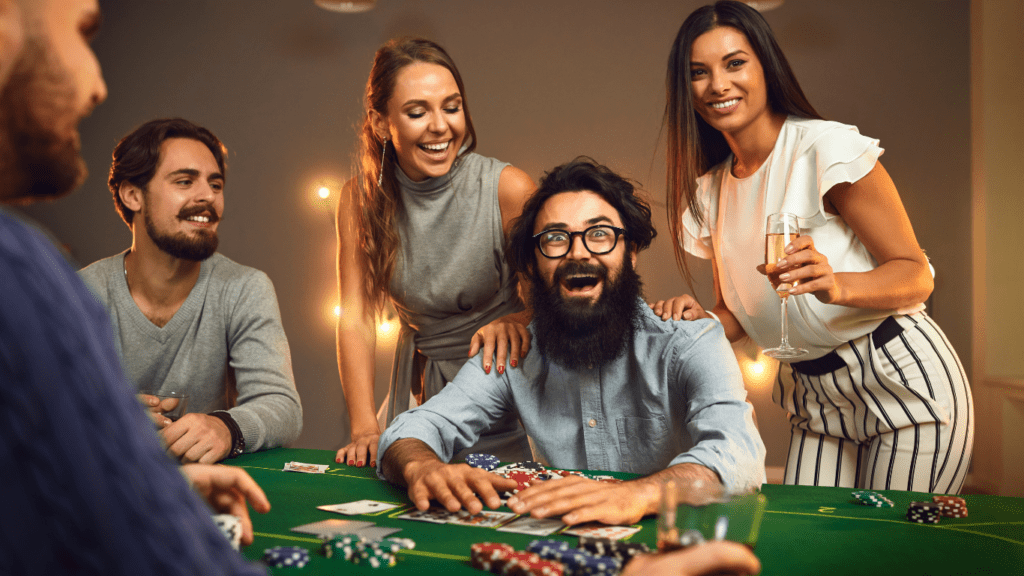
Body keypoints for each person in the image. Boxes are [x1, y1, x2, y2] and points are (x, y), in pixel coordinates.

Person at [656, 0, 973, 492]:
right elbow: (737, 312)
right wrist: (695, 321)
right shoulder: (709, 192)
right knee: (809, 547)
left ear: (766, 65)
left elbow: (916, 274)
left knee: (886, 554)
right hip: (814, 398)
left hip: (902, 380)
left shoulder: (824, 148)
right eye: (699, 72)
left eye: (735, 63)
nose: (717, 84)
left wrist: (835, 285)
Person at [0, 0, 268, 573]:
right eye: (81, 32)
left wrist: (159, 477)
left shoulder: (243, 287)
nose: (98, 86)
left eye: (215, 182)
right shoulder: (29, 273)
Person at [378, 158, 766, 527]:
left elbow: (738, 453)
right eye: (555, 238)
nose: (578, 252)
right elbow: (414, 428)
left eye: (599, 234)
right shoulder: (512, 352)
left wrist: (638, 495)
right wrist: (421, 467)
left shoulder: (691, 340)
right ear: (533, 263)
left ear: (630, 253)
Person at [335, 37, 536, 469]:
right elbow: (354, 317)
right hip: (421, 392)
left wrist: (515, 321)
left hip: (508, 386)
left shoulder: (508, 188)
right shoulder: (359, 199)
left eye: (451, 106)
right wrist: (365, 427)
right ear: (380, 123)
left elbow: (553, 304)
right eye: (417, 111)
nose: (441, 126)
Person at [79, 118, 303, 464]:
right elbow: (31, 408)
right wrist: (98, 415)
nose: (207, 197)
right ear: (133, 195)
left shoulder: (245, 287)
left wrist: (226, 428)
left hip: (207, 494)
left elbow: (283, 407)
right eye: (185, 181)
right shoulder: (80, 292)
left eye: (215, 184)